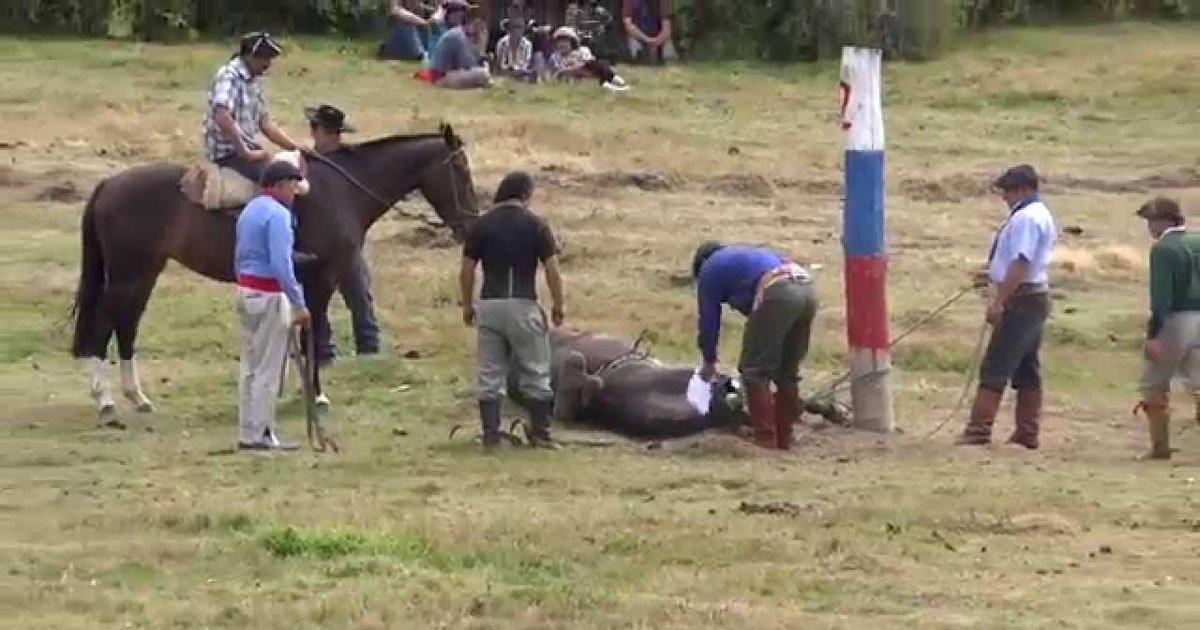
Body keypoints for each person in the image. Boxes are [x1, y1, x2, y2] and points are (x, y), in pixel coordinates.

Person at [460, 171, 566, 449]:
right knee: (536, 369)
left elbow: (468, 268)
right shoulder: (536, 225)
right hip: (522, 302)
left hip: (490, 304)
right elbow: (552, 268)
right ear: (526, 195)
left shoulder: (482, 225)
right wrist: (558, 303)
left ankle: (491, 434)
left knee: (490, 372)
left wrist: (468, 304)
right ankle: (540, 433)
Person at [957, 165, 1057, 450]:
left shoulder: (1026, 218)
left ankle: (979, 430)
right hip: (1034, 296)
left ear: (1023, 189)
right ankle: (1027, 431)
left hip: (1022, 298)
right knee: (1026, 366)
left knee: (997, 363)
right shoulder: (1039, 214)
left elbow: (1022, 261)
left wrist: (1000, 299)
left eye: (1008, 191)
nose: (1005, 197)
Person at [691, 242, 818, 450]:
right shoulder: (750, 257)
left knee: (754, 371)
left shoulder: (709, 269)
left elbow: (709, 320)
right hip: (807, 289)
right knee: (787, 372)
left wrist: (709, 360)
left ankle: (765, 442)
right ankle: (785, 438)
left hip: (778, 290)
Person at [233, 161, 311, 451]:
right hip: (269, 295)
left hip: (246, 290)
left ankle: (247, 430)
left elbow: (239, 255)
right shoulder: (279, 215)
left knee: (250, 366)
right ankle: (263, 433)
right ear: (279, 185)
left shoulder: (250, 210)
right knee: (269, 367)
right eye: (292, 184)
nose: (294, 191)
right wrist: (298, 303)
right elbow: (282, 263)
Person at [305, 104, 381, 361]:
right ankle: (323, 349)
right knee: (319, 294)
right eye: (331, 133)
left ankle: (369, 347)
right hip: (317, 244)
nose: (336, 139)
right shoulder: (304, 167)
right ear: (315, 132)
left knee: (359, 293)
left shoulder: (348, 164)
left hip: (346, 242)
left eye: (338, 133)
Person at [1135, 196, 1200, 460]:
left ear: (1163, 222)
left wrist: (1153, 335)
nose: (1149, 227)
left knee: (1154, 384)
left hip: (1176, 320)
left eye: (1151, 221)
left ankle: (1160, 447)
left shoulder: (1163, 250)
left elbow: (1161, 300)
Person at [202, 32, 302, 183]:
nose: (268, 64)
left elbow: (266, 124)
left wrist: (295, 147)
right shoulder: (229, 76)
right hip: (228, 155)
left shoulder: (253, 81)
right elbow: (223, 117)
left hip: (246, 152)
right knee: (279, 183)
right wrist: (245, 153)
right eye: (264, 58)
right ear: (249, 56)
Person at [425, 0, 491, 89]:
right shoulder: (456, 35)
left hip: (448, 74)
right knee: (482, 74)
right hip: (440, 78)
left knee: (481, 73)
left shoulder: (462, 34)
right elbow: (468, 64)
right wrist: (482, 57)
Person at [548, 27, 628, 92]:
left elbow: (591, 63)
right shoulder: (555, 56)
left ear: (572, 42)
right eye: (560, 41)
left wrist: (577, 64)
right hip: (572, 78)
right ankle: (611, 86)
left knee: (598, 65)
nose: (562, 44)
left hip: (589, 73)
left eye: (565, 41)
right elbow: (557, 72)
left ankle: (617, 83)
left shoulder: (582, 50)